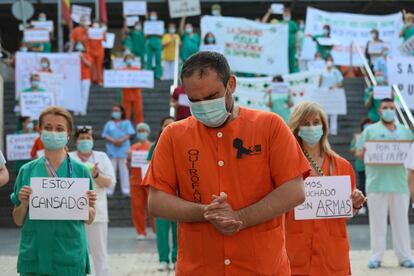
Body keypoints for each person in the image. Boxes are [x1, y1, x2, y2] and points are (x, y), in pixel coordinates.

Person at [143, 51, 311, 275]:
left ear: (231, 84)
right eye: (194, 101)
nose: (204, 105)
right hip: (201, 267)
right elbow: (156, 202)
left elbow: (294, 191)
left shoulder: (269, 126)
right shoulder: (173, 135)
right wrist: (206, 212)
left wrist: (239, 218)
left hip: (262, 266)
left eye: (212, 96)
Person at [10, 106, 97, 275]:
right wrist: (24, 204)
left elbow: (90, 219)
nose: (53, 133)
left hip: (70, 254)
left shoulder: (81, 171)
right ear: (39, 130)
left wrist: (87, 205)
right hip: (35, 254)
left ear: (68, 134)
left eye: (59, 129)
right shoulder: (27, 171)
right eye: (48, 128)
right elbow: (18, 220)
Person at [285, 101, 365, 275]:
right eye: (305, 123)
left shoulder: (342, 166)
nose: (311, 128)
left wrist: (355, 204)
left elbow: (345, 215)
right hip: (295, 253)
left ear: (324, 126)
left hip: (332, 253)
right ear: (297, 128)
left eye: (316, 122)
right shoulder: (284, 165)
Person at [357, 98, 414, 269]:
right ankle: (376, 256)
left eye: (391, 107)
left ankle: (404, 256)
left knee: (401, 222)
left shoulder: (406, 132)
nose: (388, 110)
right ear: (379, 111)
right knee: (377, 222)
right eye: (385, 107)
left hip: (400, 184)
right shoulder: (370, 131)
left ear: (395, 110)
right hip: (376, 184)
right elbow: (359, 153)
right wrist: (364, 154)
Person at [70, 125, 116, 276]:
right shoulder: (68, 157)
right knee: (74, 253)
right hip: (71, 213)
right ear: (76, 140)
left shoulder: (101, 157)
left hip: (98, 212)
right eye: (82, 138)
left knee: (99, 254)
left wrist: (97, 176)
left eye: (88, 138)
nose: (85, 141)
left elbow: (110, 182)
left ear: (93, 140)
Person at [145, 116, 177, 272]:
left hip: (179, 196)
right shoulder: (155, 146)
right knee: (162, 230)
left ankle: (177, 259)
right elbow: (148, 168)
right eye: (165, 125)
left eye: (172, 125)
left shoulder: (183, 144)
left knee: (179, 230)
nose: (168, 128)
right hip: (161, 194)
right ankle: (163, 259)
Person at [127, 122, 154, 240]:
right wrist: (128, 159)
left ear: (148, 133)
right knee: (137, 207)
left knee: (153, 206)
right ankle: (141, 231)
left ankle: (156, 229)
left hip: (149, 181)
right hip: (136, 181)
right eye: (139, 131)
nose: (141, 133)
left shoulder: (152, 146)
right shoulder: (132, 148)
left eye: (144, 130)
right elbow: (128, 166)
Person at [102, 104, 135, 197]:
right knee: (111, 171)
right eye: (114, 111)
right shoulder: (109, 123)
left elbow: (129, 134)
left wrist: (120, 141)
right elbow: (105, 135)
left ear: (121, 112)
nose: (115, 112)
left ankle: (126, 190)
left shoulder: (127, 122)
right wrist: (113, 141)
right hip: (112, 150)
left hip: (123, 150)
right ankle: (109, 190)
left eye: (117, 110)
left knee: (124, 171)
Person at [350, 117, 372, 215]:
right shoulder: (358, 138)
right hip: (361, 166)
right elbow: (353, 150)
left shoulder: (375, 136)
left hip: (373, 167)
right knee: (362, 185)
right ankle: (363, 206)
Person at [319, 54, 344, 135]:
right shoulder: (321, 71)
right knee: (324, 112)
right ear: (325, 62)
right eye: (328, 60)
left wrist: (334, 86)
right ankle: (325, 130)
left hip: (334, 94)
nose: (329, 62)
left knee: (334, 113)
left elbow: (340, 83)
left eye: (331, 60)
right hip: (324, 94)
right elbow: (318, 83)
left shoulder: (336, 72)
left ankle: (333, 130)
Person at [121, 54, 144, 125]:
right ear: (125, 60)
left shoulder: (137, 69)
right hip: (126, 93)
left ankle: (140, 127)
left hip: (136, 93)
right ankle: (125, 128)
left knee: (138, 112)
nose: (129, 60)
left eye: (130, 58)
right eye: (127, 58)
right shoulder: (121, 70)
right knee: (125, 112)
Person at [76, 42, 93, 116]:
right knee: (76, 95)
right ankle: (76, 109)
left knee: (84, 95)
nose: (79, 46)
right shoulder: (74, 56)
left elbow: (89, 64)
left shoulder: (87, 55)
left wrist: (82, 58)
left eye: (81, 45)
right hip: (76, 78)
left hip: (85, 78)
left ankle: (83, 110)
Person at [145, 12, 163, 80]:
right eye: (152, 15)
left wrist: (153, 33)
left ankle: (158, 75)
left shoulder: (160, 24)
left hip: (158, 42)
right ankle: (148, 76)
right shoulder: (147, 24)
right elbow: (145, 35)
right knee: (149, 60)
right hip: (149, 42)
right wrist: (152, 33)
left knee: (158, 59)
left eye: (154, 15)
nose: (153, 16)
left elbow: (161, 35)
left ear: (157, 16)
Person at [88, 20, 106, 85]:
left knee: (99, 66)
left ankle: (99, 81)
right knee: (91, 66)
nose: (95, 25)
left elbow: (105, 40)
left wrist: (103, 31)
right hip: (91, 51)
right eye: (94, 24)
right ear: (92, 25)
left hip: (100, 51)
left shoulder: (101, 31)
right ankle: (91, 80)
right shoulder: (89, 31)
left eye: (97, 24)